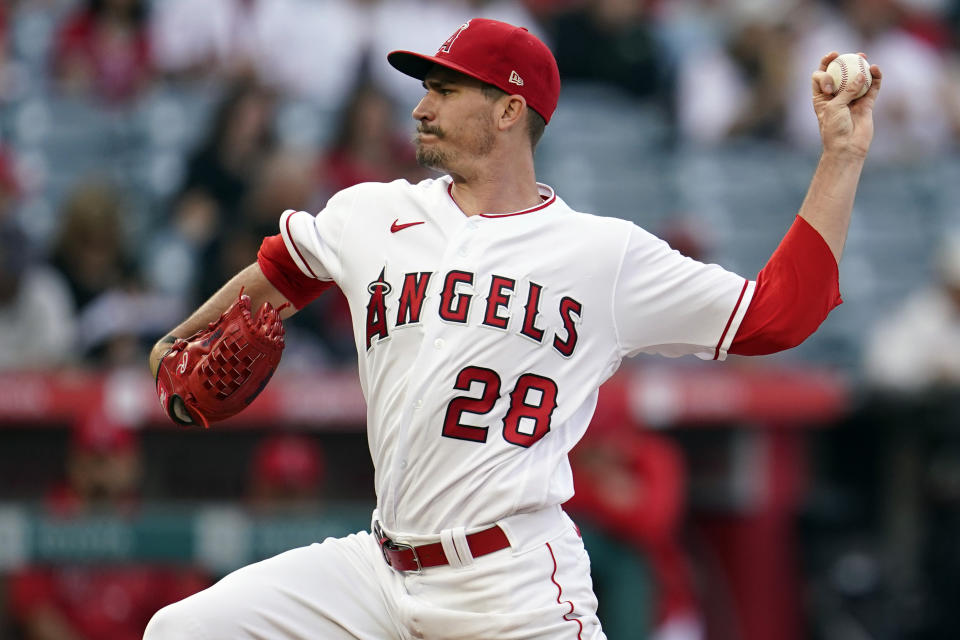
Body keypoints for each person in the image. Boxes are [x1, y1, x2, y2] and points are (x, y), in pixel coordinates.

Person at [143, 18, 881, 639]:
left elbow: (780, 314)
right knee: (179, 631)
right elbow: (282, 274)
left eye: (445, 89)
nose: (420, 108)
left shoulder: (602, 255)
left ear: (507, 110)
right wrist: (177, 337)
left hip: (511, 586)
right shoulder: (371, 213)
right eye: (425, 88)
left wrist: (841, 158)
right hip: (377, 569)